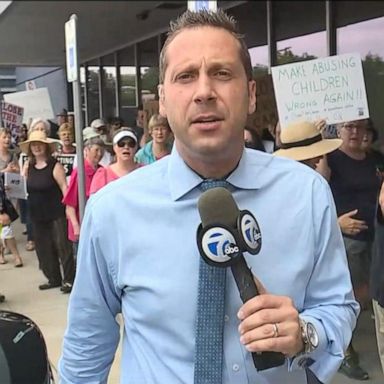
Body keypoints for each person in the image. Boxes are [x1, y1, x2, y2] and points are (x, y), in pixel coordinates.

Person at [59, 9, 358, 384]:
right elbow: (88, 343)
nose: (204, 92)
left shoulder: (307, 193)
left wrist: (304, 333)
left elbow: (338, 306)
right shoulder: (111, 211)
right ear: (163, 101)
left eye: (221, 73)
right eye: (186, 76)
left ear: (250, 95)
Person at [317, 119, 381, 380]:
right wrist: (336, 223)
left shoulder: (375, 158)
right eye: (349, 127)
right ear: (339, 131)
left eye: (360, 128)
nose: (355, 133)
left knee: (372, 294)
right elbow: (318, 187)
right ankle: (344, 352)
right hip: (350, 242)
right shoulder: (331, 159)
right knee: (351, 299)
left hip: (378, 238)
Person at [20, 130, 75, 293]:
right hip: (36, 213)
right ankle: (53, 278)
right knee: (43, 248)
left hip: (56, 212)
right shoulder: (28, 166)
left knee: (62, 247)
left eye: (39, 145)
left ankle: (69, 280)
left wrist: (69, 208)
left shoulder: (55, 165)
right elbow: (21, 187)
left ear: (46, 147)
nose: (36, 148)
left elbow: (65, 188)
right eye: (33, 145)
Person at [62, 133, 104, 258]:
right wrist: (76, 226)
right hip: (81, 227)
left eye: (102, 151)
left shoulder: (101, 170)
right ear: (86, 150)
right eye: (96, 150)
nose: (99, 154)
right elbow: (70, 204)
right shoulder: (79, 171)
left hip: (97, 227)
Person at [90, 129, 140, 194]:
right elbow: (95, 202)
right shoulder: (103, 174)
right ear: (114, 147)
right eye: (121, 144)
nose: (126, 147)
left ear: (136, 147)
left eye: (131, 144)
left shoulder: (146, 171)